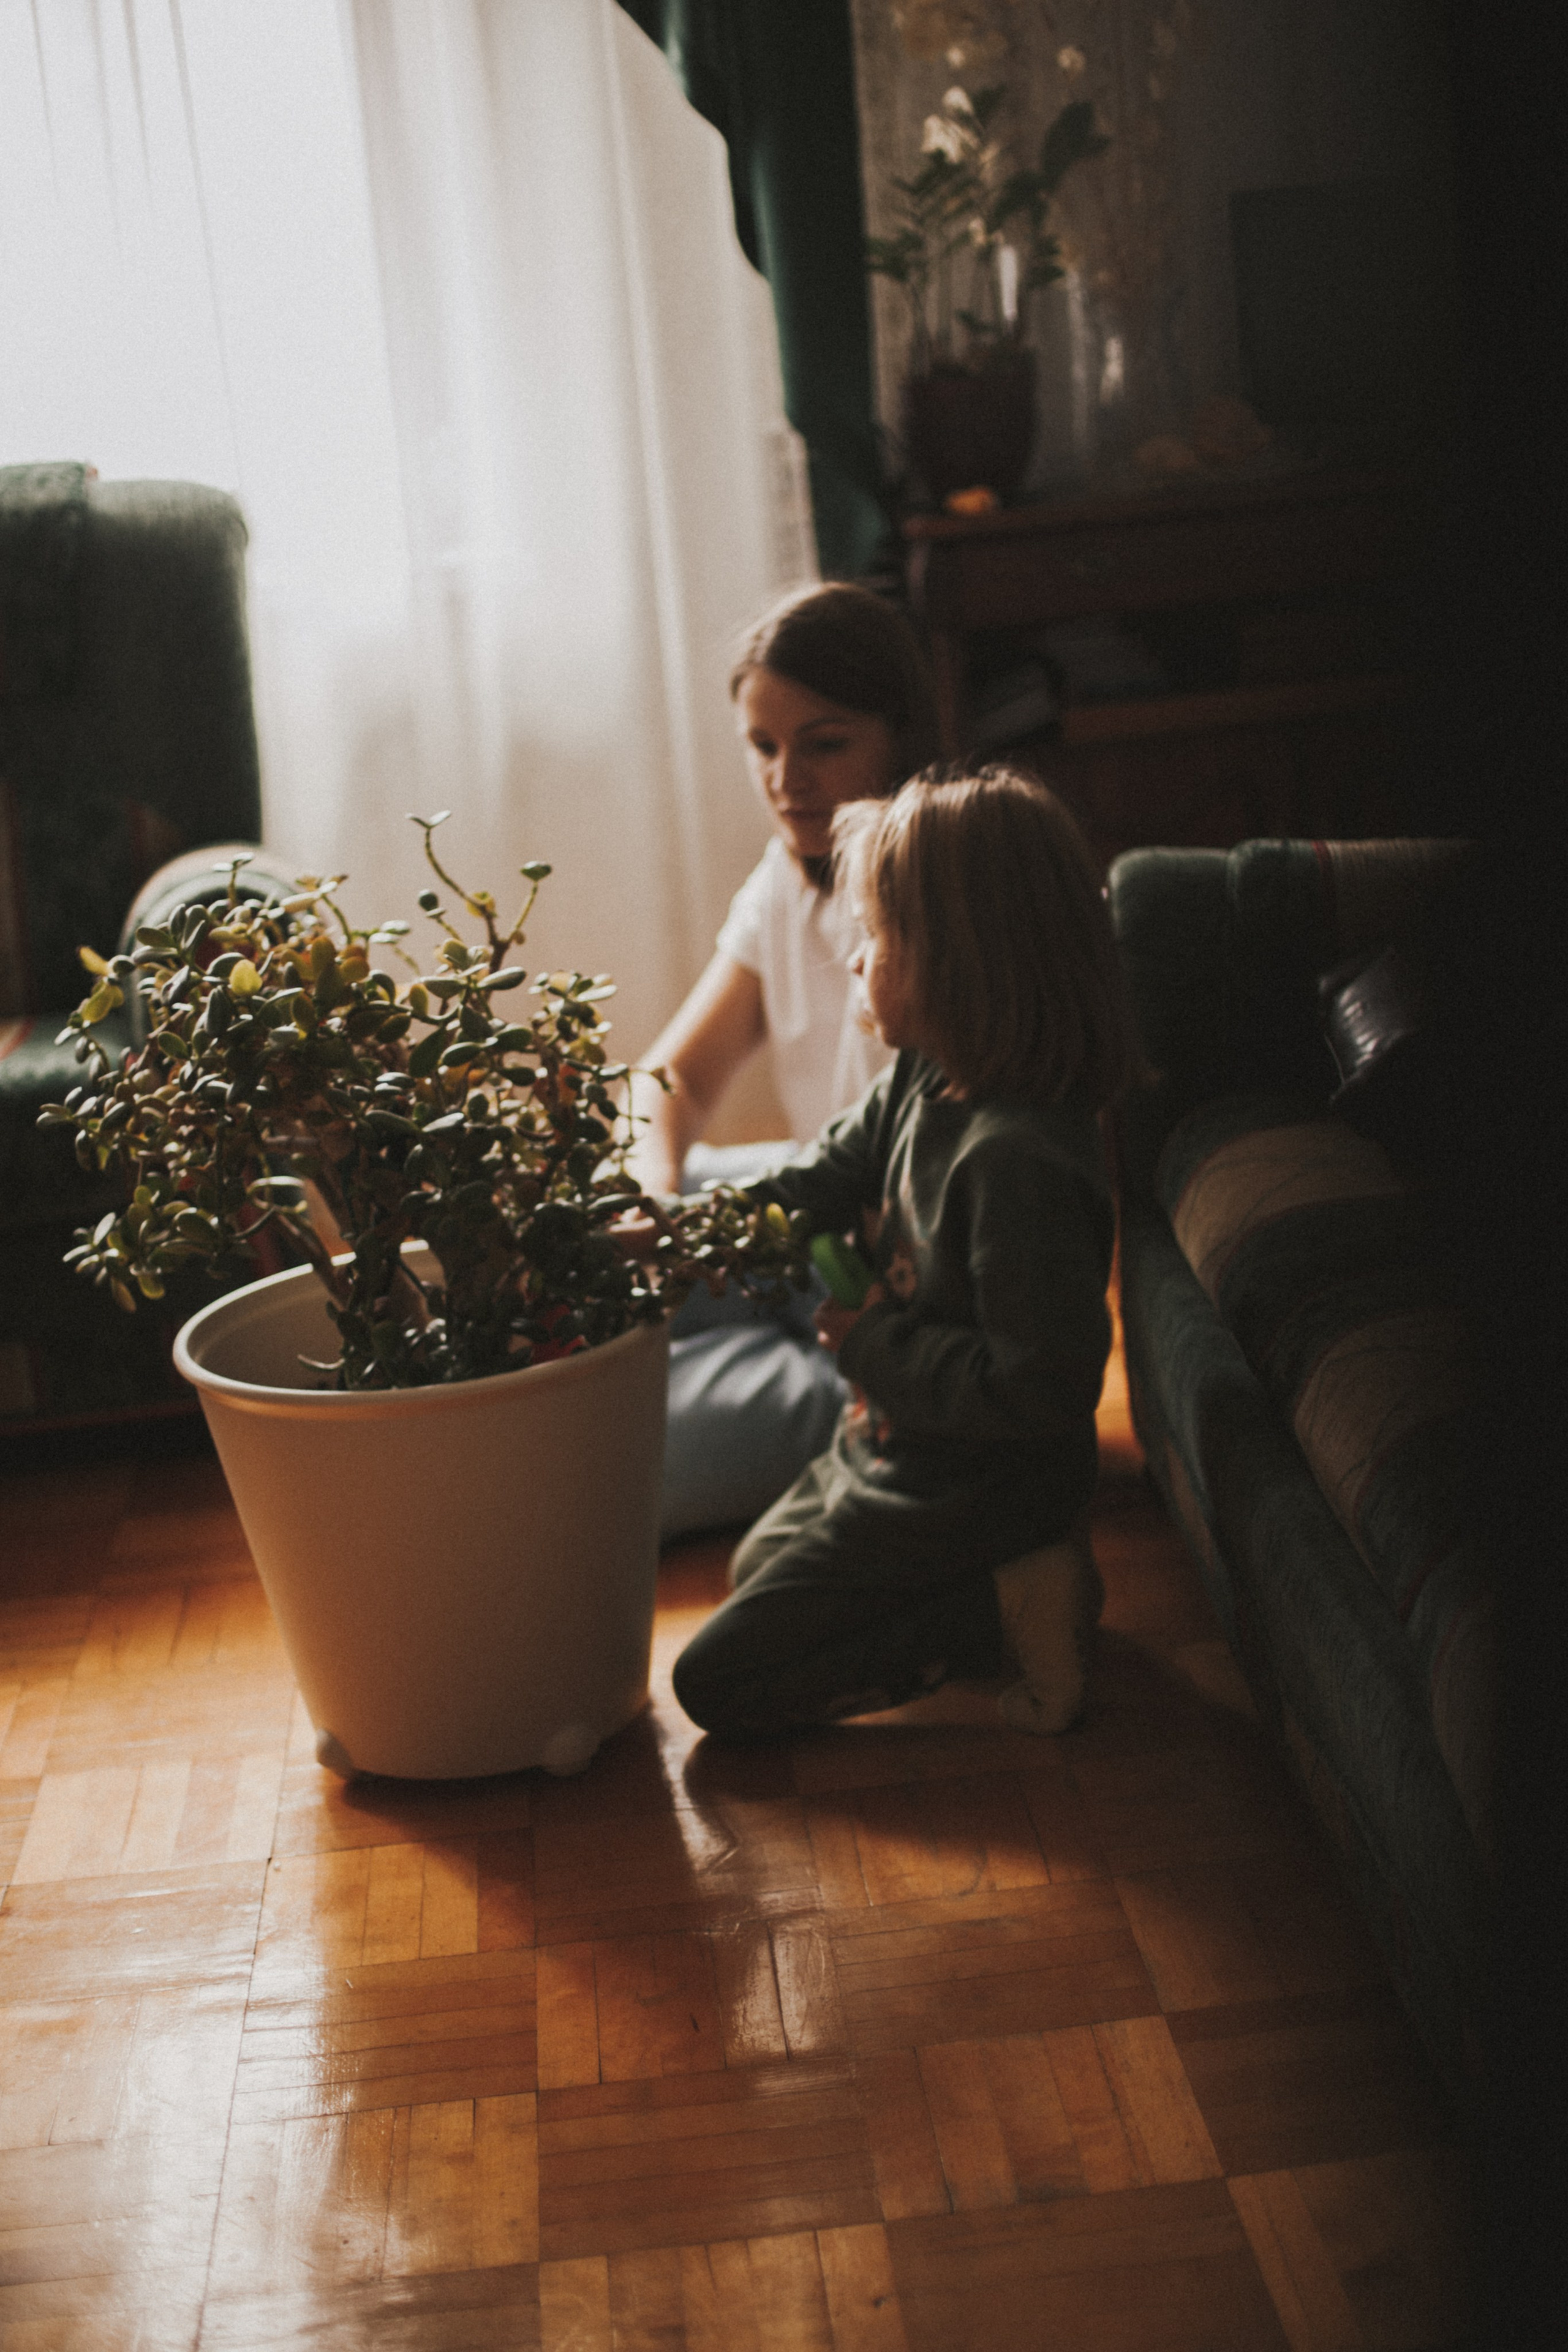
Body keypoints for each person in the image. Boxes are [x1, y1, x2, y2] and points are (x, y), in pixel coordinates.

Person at [668, 766, 1138, 1742]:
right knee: (757, 1570)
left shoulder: (1019, 1163)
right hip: (890, 1448)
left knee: (718, 1685)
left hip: (972, 1490)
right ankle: (1000, 1600)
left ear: (963, 960)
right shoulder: (923, 1077)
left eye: (876, 939)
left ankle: (1005, 1598)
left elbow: (1041, 1389)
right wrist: (685, 1232)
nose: (855, 962)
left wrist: (871, 1342)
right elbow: (817, 1180)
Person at [627, 581, 940, 1541]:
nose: (785, 779)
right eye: (764, 746)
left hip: (904, 1292)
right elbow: (668, 1081)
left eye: (825, 743)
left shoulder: (939, 888)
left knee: (615, 1456)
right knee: (573, 1257)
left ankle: (851, 1412)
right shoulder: (788, 876)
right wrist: (647, 1190)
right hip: (817, 1232)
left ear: (899, 734)